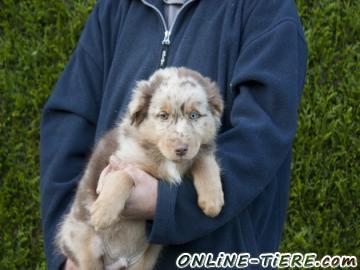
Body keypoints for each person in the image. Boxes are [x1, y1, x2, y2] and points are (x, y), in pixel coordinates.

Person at [40, 0, 307, 269]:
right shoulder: (115, 7)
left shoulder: (266, 9)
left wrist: (165, 202)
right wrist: (73, 249)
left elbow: (262, 136)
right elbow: (68, 121)